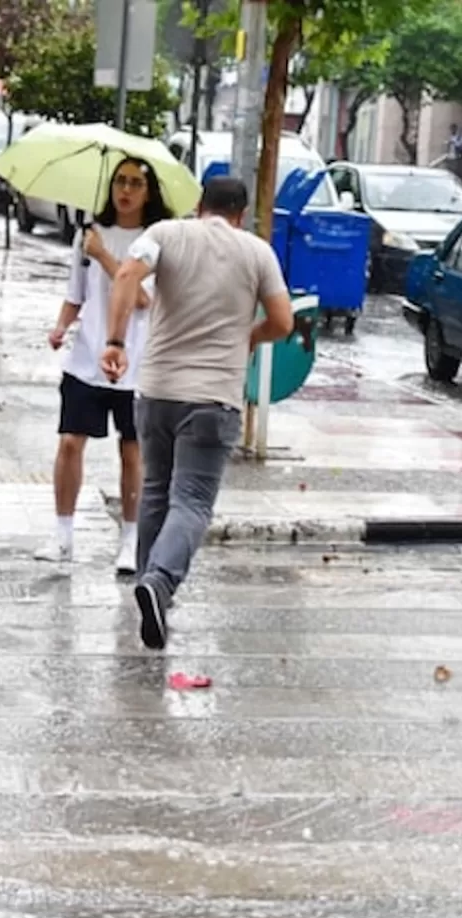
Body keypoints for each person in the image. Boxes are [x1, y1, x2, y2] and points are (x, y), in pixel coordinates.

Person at [101, 177, 293, 649]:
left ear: (199, 206)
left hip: (158, 391)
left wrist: (115, 342)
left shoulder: (165, 234)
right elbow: (284, 322)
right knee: (191, 501)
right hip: (213, 398)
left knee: (155, 494)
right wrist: (250, 336)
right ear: (241, 214)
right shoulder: (257, 252)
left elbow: (126, 275)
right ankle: (159, 583)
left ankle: (151, 592)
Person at [35, 157, 173, 573]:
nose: (125, 190)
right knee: (69, 443)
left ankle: (130, 540)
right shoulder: (89, 236)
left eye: (135, 183)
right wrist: (61, 326)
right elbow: (76, 294)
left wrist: (107, 257)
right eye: (119, 181)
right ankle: (62, 534)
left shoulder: (154, 241)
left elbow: (145, 299)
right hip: (87, 359)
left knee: (132, 453)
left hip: (137, 363)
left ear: (149, 193)